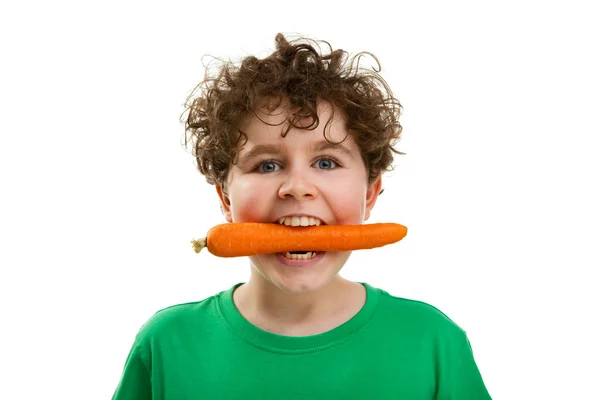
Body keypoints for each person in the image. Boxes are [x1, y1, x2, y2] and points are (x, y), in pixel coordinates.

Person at [112, 33, 492, 399]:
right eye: (266, 165)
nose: (297, 187)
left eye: (326, 162)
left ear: (370, 193)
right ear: (225, 199)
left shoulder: (432, 342)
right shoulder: (166, 345)